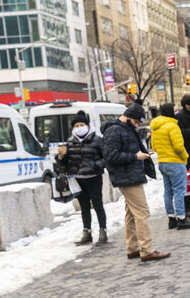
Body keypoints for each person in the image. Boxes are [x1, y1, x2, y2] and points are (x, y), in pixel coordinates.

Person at [102, 103, 170, 262]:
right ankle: (147, 250)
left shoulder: (125, 128)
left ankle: (132, 248)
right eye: (136, 122)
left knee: (132, 213)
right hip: (126, 177)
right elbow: (111, 156)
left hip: (130, 175)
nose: (137, 125)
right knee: (142, 212)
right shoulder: (114, 130)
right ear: (128, 116)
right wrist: (135, 157)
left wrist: (143, 155)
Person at [54, 110, 107, 245]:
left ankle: (103, 231)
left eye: (81, 125)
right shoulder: (70, 142)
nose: (79, 128)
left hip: (93, 177)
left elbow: (107, 157)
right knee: (83, 206)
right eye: (76, 126)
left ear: (88, 126)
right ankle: (87, 232)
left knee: (97, 204)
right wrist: (60, 157)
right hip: (77, 179)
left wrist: (97, 165)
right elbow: (64, 163)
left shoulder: (97, 140)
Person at [151, 103, 190, 230]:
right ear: (169, 112)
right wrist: (185, 156)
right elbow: (178, 147)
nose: (177, 111)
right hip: (175, 162)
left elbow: (154, 147)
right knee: (179, 191)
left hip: (162, 162)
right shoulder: (172, 126)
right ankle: (182, 219)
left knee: (168, 191)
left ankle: (171, 219)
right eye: (174, 110)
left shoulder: (155, 127)